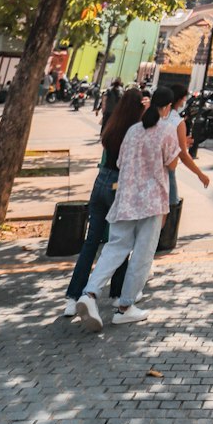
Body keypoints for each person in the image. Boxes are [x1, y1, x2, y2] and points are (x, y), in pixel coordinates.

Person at [75, 86, 180, 331]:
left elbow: (121, 161)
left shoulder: (133, 130)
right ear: (167, 108)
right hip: (151, 201)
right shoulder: (166, 130)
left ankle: (89, 294)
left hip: (125, 197)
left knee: (114, 248)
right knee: (142, 254)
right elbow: (172, 164)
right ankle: (125, 307)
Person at [61, 88, 144, 318]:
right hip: (119, 185)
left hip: (100, 182)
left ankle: (73, 297)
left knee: (91, 243)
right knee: (120, 241)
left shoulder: (112, 125)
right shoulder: (133, 131)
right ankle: (117, 294)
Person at [166, 86, 210, 212]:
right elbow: (183, 155)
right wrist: (200, 174)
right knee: (166, 211)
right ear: (180, 100)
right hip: (166, 170)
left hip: (147, 169)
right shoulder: (177, 122)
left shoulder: (154, 116)